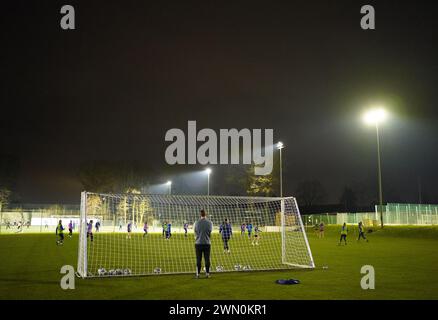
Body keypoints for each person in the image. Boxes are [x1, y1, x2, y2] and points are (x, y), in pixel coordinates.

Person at [194, 209, 213, 278]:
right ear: (206, 214)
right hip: (207, 243)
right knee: (207, 258)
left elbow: (195, 232)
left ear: (200, 214)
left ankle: (198, 274)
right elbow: (210, 232)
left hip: (198, 243)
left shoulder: (196, 223)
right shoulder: (210, 223)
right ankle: (207, 274)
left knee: (198, 259)